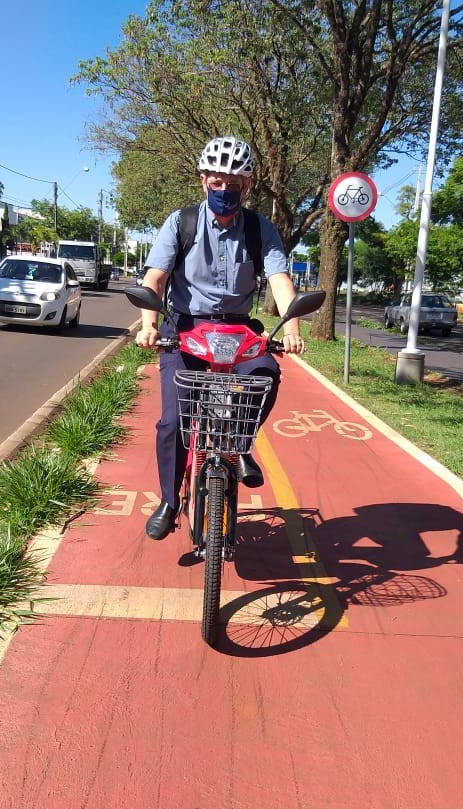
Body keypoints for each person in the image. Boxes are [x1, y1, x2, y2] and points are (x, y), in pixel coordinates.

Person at [136, 135, 308, 541]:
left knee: (265, 376)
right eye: (217, 182)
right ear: (203, 181)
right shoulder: (181, 223)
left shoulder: (260, 229)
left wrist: (294, 328)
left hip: (238, 328)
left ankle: (240, 444)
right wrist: (148, 325)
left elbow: (280, 279)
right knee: (172, 420)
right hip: (185, 328)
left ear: (247, 186)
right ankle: (169, 501)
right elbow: (155, 278)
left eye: (234, 184)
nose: (225, 190)